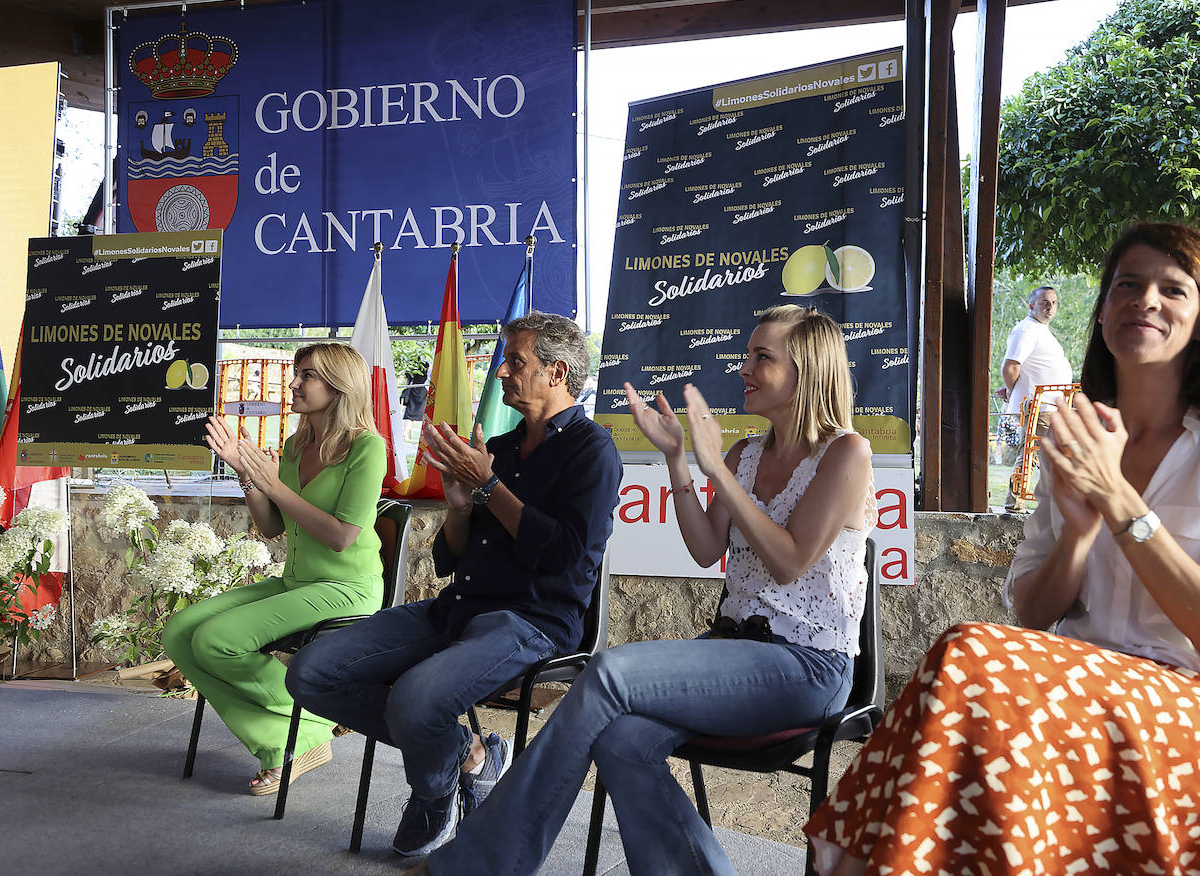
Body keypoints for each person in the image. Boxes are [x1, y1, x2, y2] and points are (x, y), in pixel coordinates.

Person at [805, 222, 1200, 875]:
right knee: (977, 703)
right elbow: (1033, 613)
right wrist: (1079, 532)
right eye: (1127, 286)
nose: (1146, 301)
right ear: (1103, 310)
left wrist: (1116, 498)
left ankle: (858, 862)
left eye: (1174, 289)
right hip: (1082, 695)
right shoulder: (1079, 430)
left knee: (971, 660)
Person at [422, 304, 874, 876]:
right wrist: (679, 460)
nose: (744, 368)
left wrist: (720, 472)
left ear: (808, 370)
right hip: (733, 651)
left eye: (763, 357)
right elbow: (708, 548)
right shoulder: (746, 454)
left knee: (606, 672)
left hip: (810, 667)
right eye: (748, 353)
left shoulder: (846, 452)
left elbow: (789, 562)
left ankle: (479, 866)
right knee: (621, 743)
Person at [284, 311, 621, 857]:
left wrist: (486, 485)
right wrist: (461, 507)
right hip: (457, 609)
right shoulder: (503, 448)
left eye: (516, 361)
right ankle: (470, 757)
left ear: (557, 373)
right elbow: (454, 556)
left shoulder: (592, 450)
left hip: (534, 622)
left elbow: (562, 555)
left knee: (415, 701)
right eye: (504, 358)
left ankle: (433, 794)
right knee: (311, 671)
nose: (502, 371)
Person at [162, 342, 386, 795]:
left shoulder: (367, 447)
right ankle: (299, 735)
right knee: (180, 633)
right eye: (297, 373)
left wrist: (273, 485)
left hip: (348, 586)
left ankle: (315, 719)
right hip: (296, 581)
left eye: (307, 375)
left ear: (339, 386)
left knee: (217, 640)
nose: (293, 383)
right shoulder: (296, 443)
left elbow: (342, 536)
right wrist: (246, 473)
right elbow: (271, 527)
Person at [997, 285, 1072, 511]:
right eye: (1044, 302)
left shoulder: (1040, 330)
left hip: (1050, 406)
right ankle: (1015, 503)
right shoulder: (1026, 330)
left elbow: (1030, 368)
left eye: (1054, 302)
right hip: (1038, 406)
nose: (1050, 306)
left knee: (1043, 455)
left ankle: (1033, 503)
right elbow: (1010, 366)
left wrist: (1013, 387)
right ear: (1031, 306)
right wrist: (1012, 390)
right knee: (1031, 454)